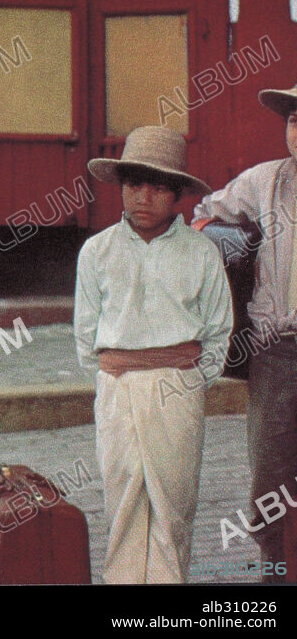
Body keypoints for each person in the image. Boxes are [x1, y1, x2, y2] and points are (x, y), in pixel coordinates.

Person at [74, 126, 233, 583]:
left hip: (178, 384)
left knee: (174, 504)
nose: (143, 197)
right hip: (118, 385)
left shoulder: (201, 253)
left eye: (158, 186)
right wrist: (114, 374)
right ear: (121, 189)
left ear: (179, 193)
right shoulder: (97, 251)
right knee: (123, 496)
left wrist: (186, 380)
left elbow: (219, 330)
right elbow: (85, 334)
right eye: (133, 185)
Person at [193, 85, 297, 572]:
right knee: (272, 473)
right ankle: (275, 567)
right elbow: (204, 218)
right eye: (295, 120)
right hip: (279, 350)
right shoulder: (263, 181)